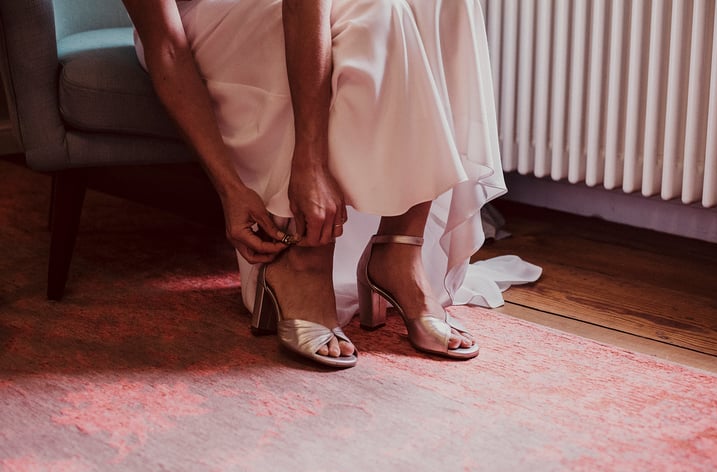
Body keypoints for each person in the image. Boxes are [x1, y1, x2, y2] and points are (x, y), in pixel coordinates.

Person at [123, 0, 538, 369]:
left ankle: (399, 249)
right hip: (191, 23)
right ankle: (305, 259)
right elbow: (167, 47)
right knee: (373, 15)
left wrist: (313, 160)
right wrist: (230, 187)